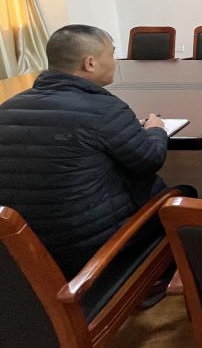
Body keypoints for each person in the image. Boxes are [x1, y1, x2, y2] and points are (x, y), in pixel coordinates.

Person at [0, 24, 190, 280]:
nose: (115, 62)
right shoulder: (105, 109)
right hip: (87, 255)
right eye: (111, 54)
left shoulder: (8, 108)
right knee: (182, 195)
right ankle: (158, 279)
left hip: (20, 252)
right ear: (90, 63)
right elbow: (150, 160)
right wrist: (156, 130)